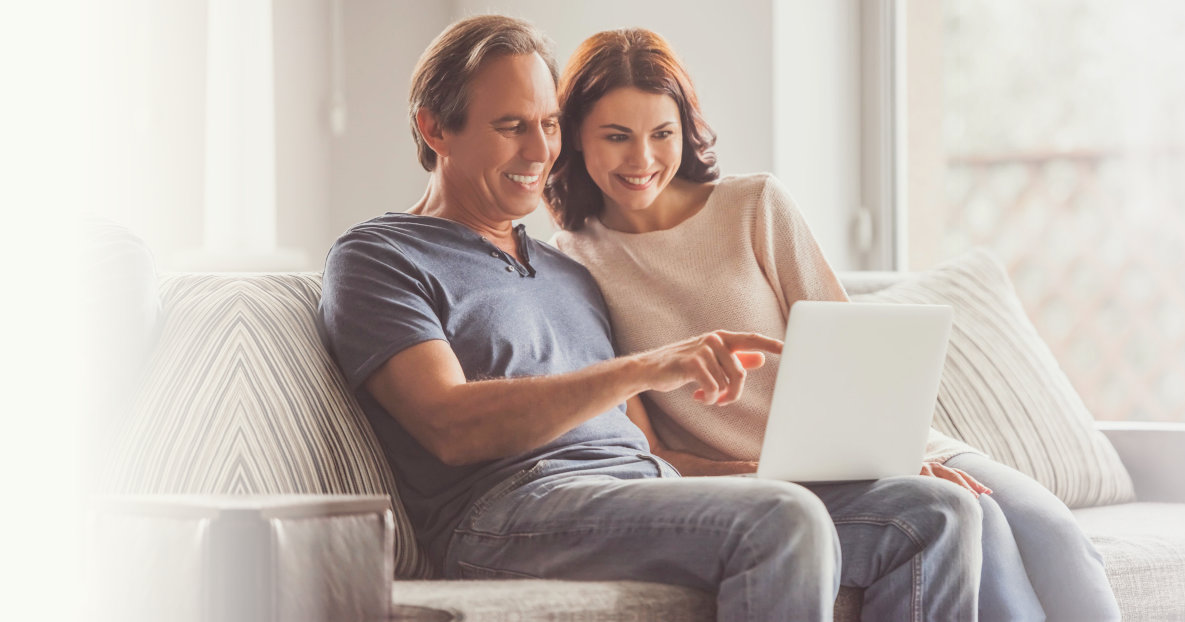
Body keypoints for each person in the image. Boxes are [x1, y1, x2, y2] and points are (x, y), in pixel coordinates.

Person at [318, 15, 983, 621]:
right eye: (509, 126)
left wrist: (805, 471)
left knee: (934, 511)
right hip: (507, 511)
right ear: (435, 127)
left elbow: (654, 458)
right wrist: (644, 367)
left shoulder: (565, 273)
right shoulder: (381, 256)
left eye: (548, 124)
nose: (538, 151)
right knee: (780, 521)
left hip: (636, 493)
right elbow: (449, 426)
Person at [548, 27, 1122, 621]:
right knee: (984, 532)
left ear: (683, 132)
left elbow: (855, 357)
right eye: (617, 137)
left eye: (661, 134)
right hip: (767, 486)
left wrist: (891, 459)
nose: (642, 159)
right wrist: (774, 475)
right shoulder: (569, 266)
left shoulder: (755, 206)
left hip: (882, 448)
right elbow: (654, 452)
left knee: (1055, 532)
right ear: (575, 139)